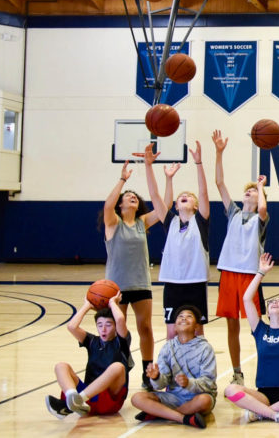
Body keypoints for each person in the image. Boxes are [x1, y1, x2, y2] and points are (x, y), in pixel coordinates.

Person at [102, 145, 165, 390]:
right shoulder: (113, 223)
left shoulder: (142, 222)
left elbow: (163, 207)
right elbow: (107, 206)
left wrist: (150, 167)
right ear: (121, 204)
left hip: (140, 283)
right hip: (116, 286)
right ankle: (118, 371)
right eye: (128, 196)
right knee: (119, 329)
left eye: (135, 196)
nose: (132, 197)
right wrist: (122, 180)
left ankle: (148, 373)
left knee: (145, 327)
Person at [223, 254, 279, 423]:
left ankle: (261, 413)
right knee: (230, 390)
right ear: (267, 313)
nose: (274, 302)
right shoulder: (260, 329)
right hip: (262, 394)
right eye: (271, 302)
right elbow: (247, 299)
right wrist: (260, 273)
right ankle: (276, 414)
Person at [213, 130, 269, 385]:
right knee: (232, 325)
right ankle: (237, 371)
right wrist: (219, 153)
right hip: (228, 272)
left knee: (256, 325)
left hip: (250, 276)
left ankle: (265, 367)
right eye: (247, 190)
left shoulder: (261, 218)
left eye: (253, 191)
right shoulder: (233, 213)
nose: (249, 192)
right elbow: (219, 184)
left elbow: (264, 207)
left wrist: (261, 187)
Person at [148, 141, 210, 340]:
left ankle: (199, 360)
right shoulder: (170, 221)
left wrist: (199, 164)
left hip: (196, 282)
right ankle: (172, 362)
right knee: (171, 332)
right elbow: (154, 196)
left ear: (196, 206)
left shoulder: (200, 221)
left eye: (189, 197)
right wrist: (149, 166)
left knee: (197, 331)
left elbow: (203, 192)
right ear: (175, 205)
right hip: (172, 283)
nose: (185, 196)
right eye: (181, 196)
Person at [45, 291, 132, 418]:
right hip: (89, 398)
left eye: (108, 325)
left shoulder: (121, 341)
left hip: (109, 400)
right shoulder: (92, 341)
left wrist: (113, 303)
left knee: (118, 367)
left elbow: (120, 319)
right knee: (61, 366)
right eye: (99, 325)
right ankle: (72, 398)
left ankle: (75, 402)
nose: (103, 329)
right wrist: (87, 305)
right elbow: (72, 327)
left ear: (115, 327)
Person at [130, 305, 216, 428]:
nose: (184, 318)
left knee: (205, 401)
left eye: (189, 316)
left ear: (197, 326)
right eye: (180, 316)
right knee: (137, 398)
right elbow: (160, 385)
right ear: (175, 326)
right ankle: (183, 418)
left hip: (196, 397)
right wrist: (156, 377)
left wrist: (189, 383)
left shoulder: (205, 348)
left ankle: (160, 413)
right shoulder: (167, 347)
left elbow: (209, 383)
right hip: (173, 397)